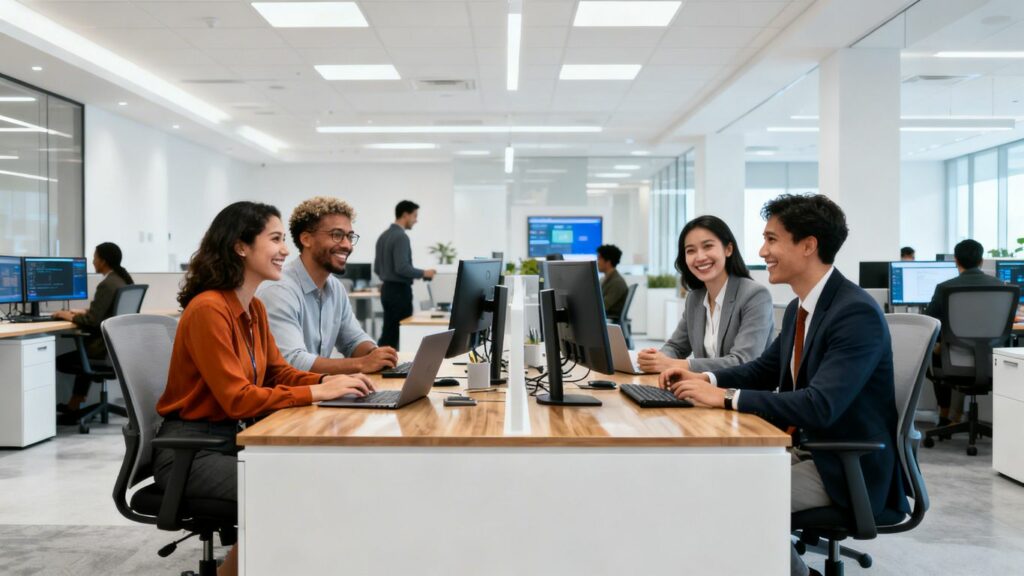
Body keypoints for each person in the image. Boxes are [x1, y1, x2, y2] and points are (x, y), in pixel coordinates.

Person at [659, 195, 907, 576]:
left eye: (772, 240)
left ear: (808, 245)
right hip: (807, 448)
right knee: (703, 478)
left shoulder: (853, 312)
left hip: (841, 466)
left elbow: (819, 405)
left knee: (734, 499)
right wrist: (702, 377)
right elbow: (762, 369)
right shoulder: (800, 307)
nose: (762, 250)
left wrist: (726, 399)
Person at [154, 201, 373, 576]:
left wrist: (327, 381)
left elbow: (278, 373)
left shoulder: (252, 309)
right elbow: (237, 399)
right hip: (192, 453)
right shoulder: (209, 310)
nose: (285, 250)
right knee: (286, 488)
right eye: (275, 239)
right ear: (241, 246)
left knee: (321, 477)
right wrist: (315, 392)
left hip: (233, 441)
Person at [257, 197, 399, 375]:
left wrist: (375, 354)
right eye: (337, 235)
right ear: (306, 239)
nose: (347, 245)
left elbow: (353, 340)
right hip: (289, 397)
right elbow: (292, 361)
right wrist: (362, 364)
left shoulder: (335, 288)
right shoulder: (278, 290)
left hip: (319, 392)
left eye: (349, 236)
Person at [637, 215, 774, 374]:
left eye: (708, 246)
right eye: (691, 250)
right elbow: (676, 347)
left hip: (740, 395)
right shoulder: (695, 298)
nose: (700, 257)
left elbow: (743, 361)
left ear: (728, 249)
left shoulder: (755, 295)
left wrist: (678, 365)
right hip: (702, 391)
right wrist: (656, 358)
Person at [924, 238, 1004, 425]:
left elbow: (930, 323)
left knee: (935, 354)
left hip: (955, 361)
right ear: (981, 261)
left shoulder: (945, 288)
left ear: (956, 261)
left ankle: (944, 416)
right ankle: (955, 416)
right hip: (991, 362)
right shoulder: (1000, 286)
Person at [54, 242, 134, 415]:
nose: (92, 261)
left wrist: (67, 315)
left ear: (103, 261)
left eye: (95, 258)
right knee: (82, 353)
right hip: (114, 349)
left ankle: (73, 406)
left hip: (101, 350)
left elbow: (92, 321)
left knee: (66, 359)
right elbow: (104, 313)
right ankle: (74, 404)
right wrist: (83, 312)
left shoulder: (107, 284)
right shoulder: (120, 280)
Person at [374, 200, 436, 350]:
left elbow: (377, 268)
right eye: (414, 215)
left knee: (389, 331)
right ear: (405, 215)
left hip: (387, 290)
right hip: (399, 292)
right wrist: (424, 273)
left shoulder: (383, 236)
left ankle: (380, 364)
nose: (416, 220)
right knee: (395, 335)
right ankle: (386, 367)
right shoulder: (401, 237)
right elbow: (402, 268)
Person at [596, 244, 628, 321]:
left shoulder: (617, 282)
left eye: (599, 259)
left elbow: (604, 306)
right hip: (605, 318)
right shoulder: (604, 279)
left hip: (609, 320)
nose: (597, 262)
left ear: (608, 261)